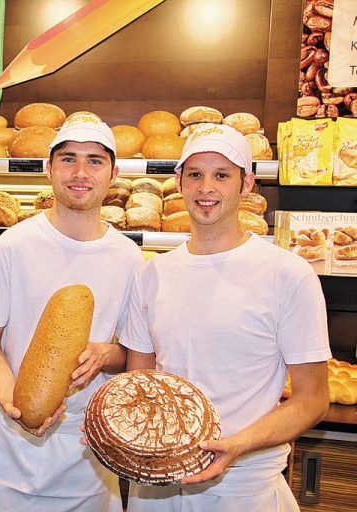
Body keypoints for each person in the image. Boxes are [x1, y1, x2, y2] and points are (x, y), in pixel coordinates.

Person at [120, 125, 331, 511]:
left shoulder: (288, 274)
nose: (206, 188)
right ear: (179, 181)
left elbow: (314, 398)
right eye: (195, 174)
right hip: (157, 483)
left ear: (247, 183)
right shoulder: (152, 274)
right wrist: (117, 432)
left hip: (242, 484)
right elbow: (140, 382)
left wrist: (240, 443)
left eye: (222, 175)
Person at [0, 112, 142, 511]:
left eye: (94, 161)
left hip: (87, 450)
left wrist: (108, 354)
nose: (80, 172)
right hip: (11, 449)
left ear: (113, 173)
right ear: (49, 168)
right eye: (68, 159)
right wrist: (10, 397)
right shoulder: (13, 245)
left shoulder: (130, 259)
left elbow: (133, 357)